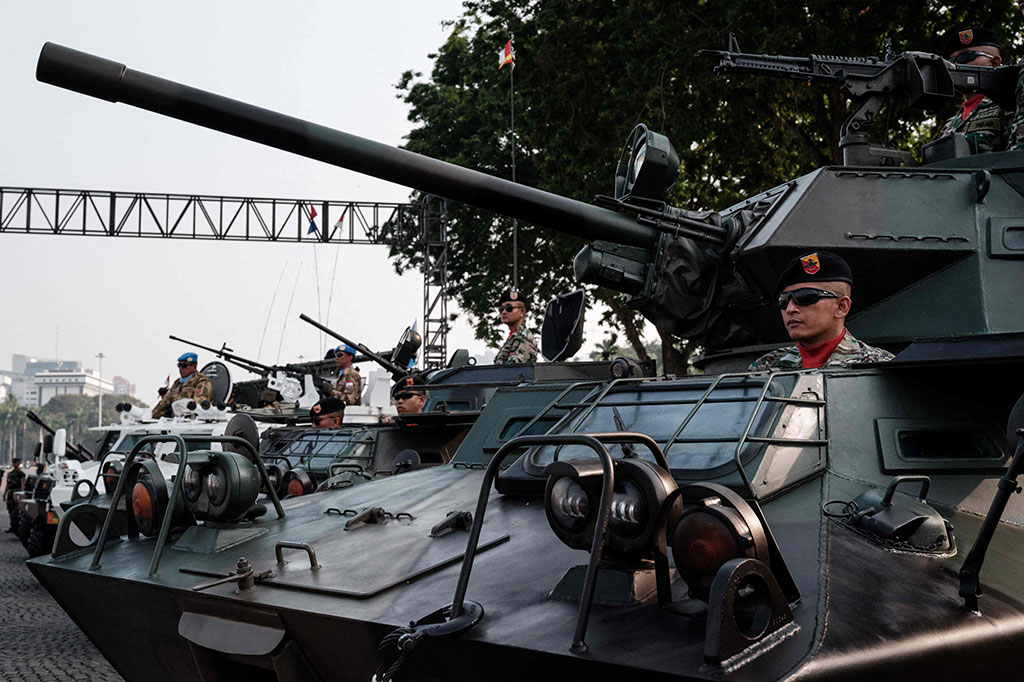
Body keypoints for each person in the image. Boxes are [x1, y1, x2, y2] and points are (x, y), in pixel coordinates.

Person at [749, 251, 895, 371]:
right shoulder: (766, 366)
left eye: (805, 297)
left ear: (841, 307)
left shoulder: (879, 366)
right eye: (783, 300)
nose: (790, 309)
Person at [936, 27, 1023, 153]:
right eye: (951, 60)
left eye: (965, 57)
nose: (955, 64)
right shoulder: (949, 125)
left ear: (995, 62)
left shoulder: (1010, 107)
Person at [151, 352, 215, 418]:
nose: (180, 368)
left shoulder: (202, 382)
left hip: (192, 424)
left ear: (194, 366)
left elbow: (197, 407)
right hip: (174, 423)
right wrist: (151, 416)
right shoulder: (177, 383)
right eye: (179, 365)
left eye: (184, 366)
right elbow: (164, 404)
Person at [494, 289, 539, 364]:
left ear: (522, 311)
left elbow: (513, 369)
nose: (504, 312)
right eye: (501, 309)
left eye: (509, 308)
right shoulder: (514, 337)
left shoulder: (523, 337)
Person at [4, 458, 25, 532]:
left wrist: (22, 495)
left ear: (19, 463)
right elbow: (7, 485)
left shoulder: (21, 474)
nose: (15, 464)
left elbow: (22, 485)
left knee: (16, 511)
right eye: (14, 463)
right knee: (10, 510)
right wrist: (4, 494)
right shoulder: (10, 474)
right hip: (10, 493)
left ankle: (17, 527)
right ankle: (12, 526)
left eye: (16, 463)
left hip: (17, 492)